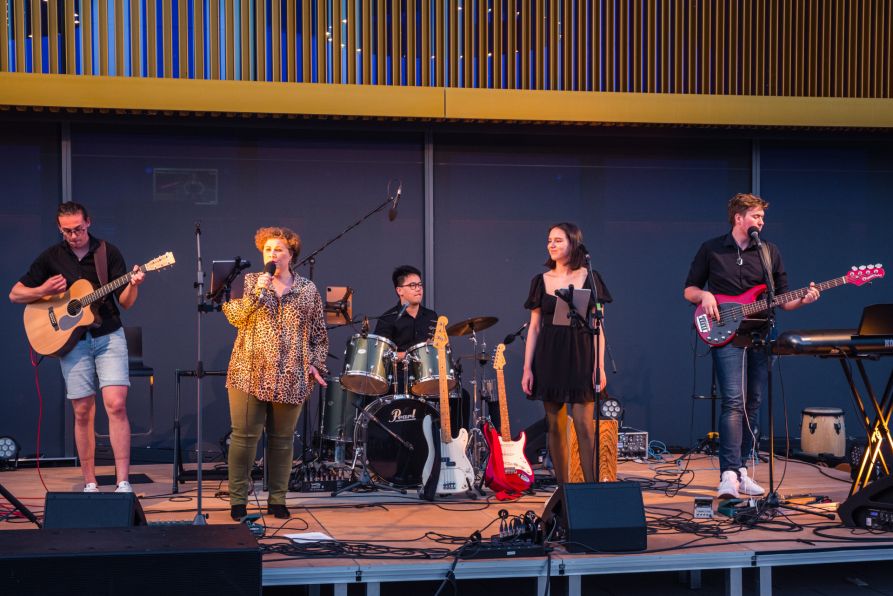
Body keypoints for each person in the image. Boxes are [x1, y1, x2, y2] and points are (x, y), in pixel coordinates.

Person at [684, 193, 820, 499]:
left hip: (760, 335)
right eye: (756, 216)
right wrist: (705, 296)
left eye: (762, 217)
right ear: (739, 218)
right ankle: (728, 474)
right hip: (726, 335)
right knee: (733, 401)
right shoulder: (712, 249)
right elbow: (689, 289)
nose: (761, 222)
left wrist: (805, 298)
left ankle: (743, 469)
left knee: (753, 405)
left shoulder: (769, 252)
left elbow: (784, 300)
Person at [9, 202, 145, 493]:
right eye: (67, 231)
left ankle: (123, 481)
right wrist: (42, 290)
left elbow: (126, 302)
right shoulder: (51, 257)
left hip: (108, 334)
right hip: (72, 342)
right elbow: (15, 294)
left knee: (117, 405)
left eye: (79, 229)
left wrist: (133, 284)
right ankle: (90, 482)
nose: (74, 235)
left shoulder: (108, 253)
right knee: (82, 410)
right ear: (60, 229)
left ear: (89, 223)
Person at [222, 226, 328, 520]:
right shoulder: (250, 282)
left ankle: (278, 499)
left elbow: (320, 335)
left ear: (291, 254)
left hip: (292, 373)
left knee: (282, 440)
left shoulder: (307, 289)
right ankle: (238, 501)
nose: (272, 254)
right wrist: (259, 291)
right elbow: (235, 317)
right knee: (244, 437)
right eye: (267, 249)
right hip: (249, 371)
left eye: (278, 249)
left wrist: (315, 364)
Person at [521, 222, 611, 484]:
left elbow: (599, 325)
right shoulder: (540, 281)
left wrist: (600, 365)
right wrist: (528, 368)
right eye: (549, 240)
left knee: (584, 425)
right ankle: (565, 490)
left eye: (558, 240)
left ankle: (592, 489)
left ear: (573, 243)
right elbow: (535, 327)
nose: (552, 244)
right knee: (556, 427)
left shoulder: (589, 277)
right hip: (549, 356)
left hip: (582, 354)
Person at [374, 265, 438, 358]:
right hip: (398, 371)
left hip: (425, 371)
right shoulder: (387, 319)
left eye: (420, 284)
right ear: (399, 290)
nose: (418, 288)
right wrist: (411, 355)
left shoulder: (431, 316)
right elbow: (380, 354)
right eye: (412, 285)